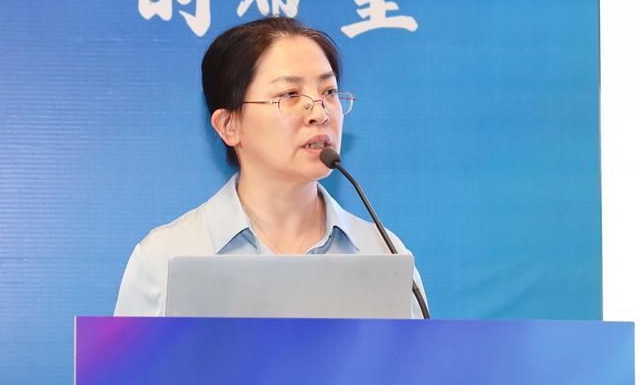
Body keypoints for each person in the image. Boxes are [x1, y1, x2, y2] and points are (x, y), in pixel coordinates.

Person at [114, 17, 428, 317]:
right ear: (229, 126)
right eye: (289, 95)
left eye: (329, 92)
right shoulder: (165, 259)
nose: (319, 113)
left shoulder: (385, 256)